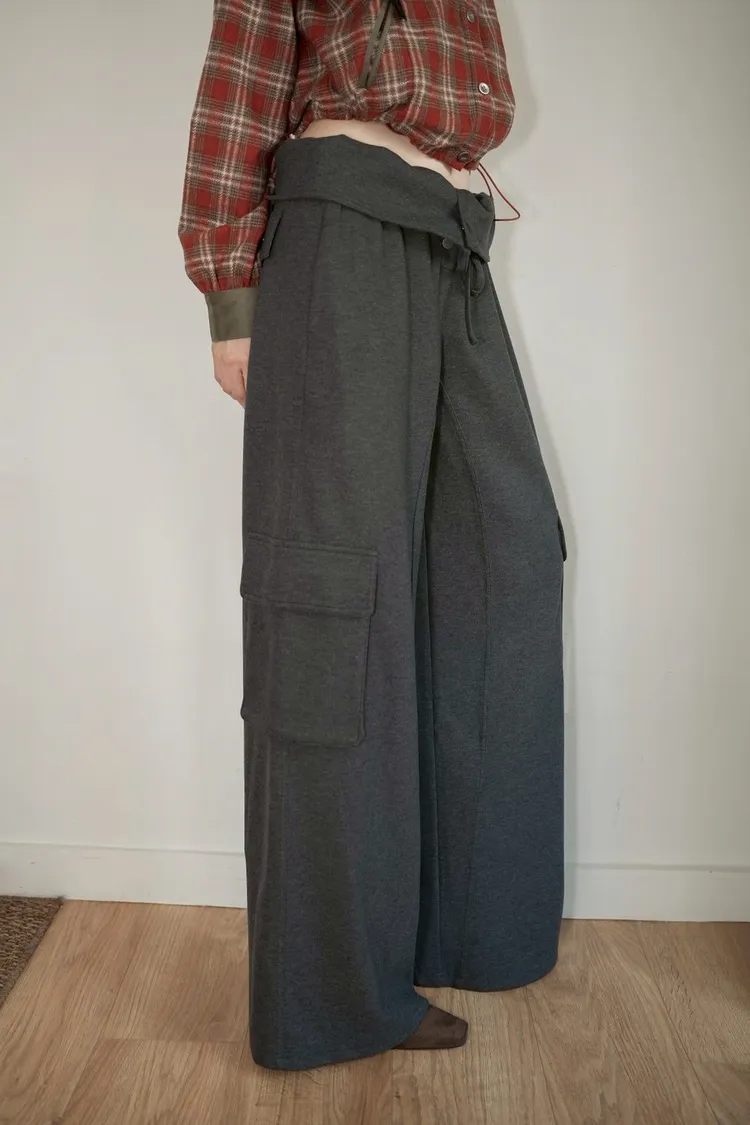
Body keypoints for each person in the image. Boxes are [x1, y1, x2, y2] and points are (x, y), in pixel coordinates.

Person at [178, 0, 567, 1072]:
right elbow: (239, 85)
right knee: (334, 602)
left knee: (504, 565)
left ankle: (464, 926)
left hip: (449, 236)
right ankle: (330, 996)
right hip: (340, 231)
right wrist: (232, 299)